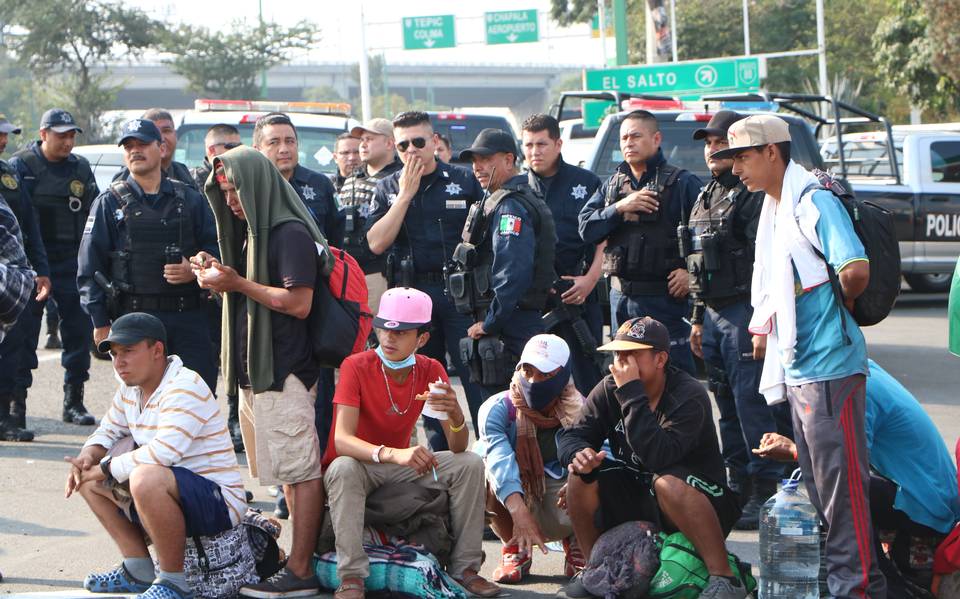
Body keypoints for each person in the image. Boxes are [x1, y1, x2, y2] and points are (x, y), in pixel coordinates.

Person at [715, 114, 885, 597]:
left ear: (773, 152)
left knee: (842, 497)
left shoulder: (812, 201)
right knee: (821, 492)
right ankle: (845, 585)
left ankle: (857, 589)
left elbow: (854, 270)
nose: (738, 168)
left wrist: (837, 310)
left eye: (744, 157)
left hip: (830, 366)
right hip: (802, 367)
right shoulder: (775, 207)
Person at [193, 146, 329, 597]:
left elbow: (298, 302)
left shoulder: (287, 233)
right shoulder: (252, 233)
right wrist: (219, 278)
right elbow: (255, 297)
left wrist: (236, 283)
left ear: (259, 186)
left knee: (301, 472)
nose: (231, 201)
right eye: (226, 193)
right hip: (259, 371)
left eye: (237, 190)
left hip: (285, 370)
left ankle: (302, 571)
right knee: (288, 475)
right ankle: (296, 564)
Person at [322, 287, 500, 599]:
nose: (388, 339)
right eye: (384, 328)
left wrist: (456, 413)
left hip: (399, 467)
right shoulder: (356, 365)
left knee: (470, 463)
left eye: (401, 332)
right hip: (363, 466)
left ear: (422, 339)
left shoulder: (431, 369)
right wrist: (394, 454)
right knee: (342, 468)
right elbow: (342, 439)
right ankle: (352, 577)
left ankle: (465, 568)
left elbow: (458, 446)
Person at [556, 316, 745, 599]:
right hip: (646, 492)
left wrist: (631, 392)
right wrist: (577, 454)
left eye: (632, 354)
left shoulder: (687, 394)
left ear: (660, 359)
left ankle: (725, 578)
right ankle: (598, 570)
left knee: (665, 482)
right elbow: (571, 435)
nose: (622, 362)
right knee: (580, 477)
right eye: (618, 353)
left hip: (702, 504)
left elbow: (657, 457)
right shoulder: (610, 388)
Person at [66, 312, 246, 599]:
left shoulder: (184, 385)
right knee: (88, 481)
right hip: (175, 493)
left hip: (219, 502)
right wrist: (87, 456)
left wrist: (105, 467)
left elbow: (165, 452)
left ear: (157, 351)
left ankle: (173, 582)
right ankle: (137, 569)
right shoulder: (130, 389)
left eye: (128, 351)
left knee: (144, 477)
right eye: (114, 353)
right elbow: (108, 431)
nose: (119, 361)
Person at [755, 359, 960, 594]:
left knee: (834, 491)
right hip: (930, 496)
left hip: (927, 507)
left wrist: (793, 451)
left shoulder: (849, 387)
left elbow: (848, 463)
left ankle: (884, 589)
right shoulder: (856, 368)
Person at [683, 111, 792, 528]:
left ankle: (767, 487)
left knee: (754, 407)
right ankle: (738, 485)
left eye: (719, 143)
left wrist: (760, 321)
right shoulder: (707, 193)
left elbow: (764, 264)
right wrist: (696, 319)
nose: (712, 150)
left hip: (745, 311)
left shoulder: (753, 197)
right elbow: (695, 263)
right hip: (712, 315)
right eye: (708, 143)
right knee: (726, 406)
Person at [365, 111, 487, 450]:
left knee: (475, 375)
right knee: (426, 380)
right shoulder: (388, 187)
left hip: (459, 295)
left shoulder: (462, 181)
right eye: (403, 145)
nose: (412, 150)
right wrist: (405, 195)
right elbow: (376, 242)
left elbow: (487, 240)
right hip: (411, 296)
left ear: (434, 142)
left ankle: (488, 457)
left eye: (419, 142)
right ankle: (441, 457)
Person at [78, 118, 220, 392]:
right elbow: (89, 268)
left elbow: (215, 250)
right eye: (128, 146)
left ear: (161, 147)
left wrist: (194, 269)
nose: (135, 150)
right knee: (140, 408)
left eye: (142, 144)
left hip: (187, 317)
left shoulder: (190, 199)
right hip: (133, 319)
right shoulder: (108, 203)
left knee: (197, 399)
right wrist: (100, 321)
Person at [578, 110, 701, 375]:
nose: (628, 143)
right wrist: (620, 207)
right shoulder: (612, 186)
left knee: (673, 379)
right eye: (623, 138)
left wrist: (690, 272)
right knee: (626, 378)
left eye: (636, 136)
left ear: (656, 139)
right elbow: (586, 229)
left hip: (664, 301)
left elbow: (706, 237)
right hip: (620, 299)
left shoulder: (682, 183)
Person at [10, 107, 99, 425]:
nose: (68, 141)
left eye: (72, 135)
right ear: (43, 134)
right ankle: (16, 406)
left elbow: (94, 212)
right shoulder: (23, 166)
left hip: (72, 263)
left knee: (77, 331)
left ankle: (73, 402)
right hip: (32, 264)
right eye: (61, 135)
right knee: (24, 336)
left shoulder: (81, 167)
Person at [455, 128, 557, 399]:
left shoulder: (510, 206)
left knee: (509, 408)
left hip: (511, 324)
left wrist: (491, 323)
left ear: (509, 160)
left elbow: (512, 272)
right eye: (474, 161)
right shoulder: (512, 198)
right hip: (516, 319)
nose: (478, 167)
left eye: (486, 159)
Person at [477, 334, 585, 583]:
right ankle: (515, 548)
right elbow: (499, 460)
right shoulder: (497, 409)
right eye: (527, 371)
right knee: (479, 465)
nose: (533, 381)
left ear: (563, 374)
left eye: (545, 375)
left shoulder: (583, 409)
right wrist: (518, 512)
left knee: (596, 471)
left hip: (563, 500)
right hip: (518, 495)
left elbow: (603, 454)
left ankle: (579, 541)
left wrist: (581, 481)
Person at [521, 114, 604, 395]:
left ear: (558, 143)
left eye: (542, 144)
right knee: (537, 382)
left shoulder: (586, 182)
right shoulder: (516, 188)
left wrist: (590, 279)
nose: (535, 151)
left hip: (577, 296)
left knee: (587, 380)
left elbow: (605, 238)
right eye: (529, 144)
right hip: (533, 301)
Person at [190, 123, 244, 451]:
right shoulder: (190, 183)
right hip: (204, 285)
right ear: (212, 151)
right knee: (211, 360)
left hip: (238, 279)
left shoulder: (247, 180)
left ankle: (236, 420)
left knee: (237, 357)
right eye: (229, 145)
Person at [0, 115, 50, 441]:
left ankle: (6, 417)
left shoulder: (9, 173)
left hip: (11, 282)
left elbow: (30, 225)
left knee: (14, 350)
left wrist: (41, 270)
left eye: (4, 136)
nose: (3, 141)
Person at [253, 112, 344, 247]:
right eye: (274, 142)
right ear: (257, 149)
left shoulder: (320, 183)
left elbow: (337, 232)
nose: (284, 149)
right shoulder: (251, 186)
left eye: (289, 141)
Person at [340, 118, 403, 314]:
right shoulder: (353, 177)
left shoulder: (398, 178)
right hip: (347, 269)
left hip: (379, 271)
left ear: (389, 143)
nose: (363, 144)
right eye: (361, 140)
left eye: (369, 139)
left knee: (378, 333)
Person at [113, 109, 198, 191]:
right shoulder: (124, 179)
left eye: (166, 131)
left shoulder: (182, 172)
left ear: (175, 135)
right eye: (153, 133)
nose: (161, 138)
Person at [190, 124, 241, 190]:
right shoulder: (193, 180)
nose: (237, 151)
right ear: (212, 150)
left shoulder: (241, 175)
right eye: (231, 146)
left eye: (239, 146)